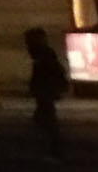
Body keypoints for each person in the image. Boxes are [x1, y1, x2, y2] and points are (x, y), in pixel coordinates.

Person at [26, 27, 69, 159]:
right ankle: (52, 148)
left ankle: (54, 150)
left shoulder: (43, 55)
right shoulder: (44, 54)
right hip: (46, 91)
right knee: (45, 118)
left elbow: (45, 74)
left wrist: (39, 88)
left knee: (46, 119)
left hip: (46, 91)